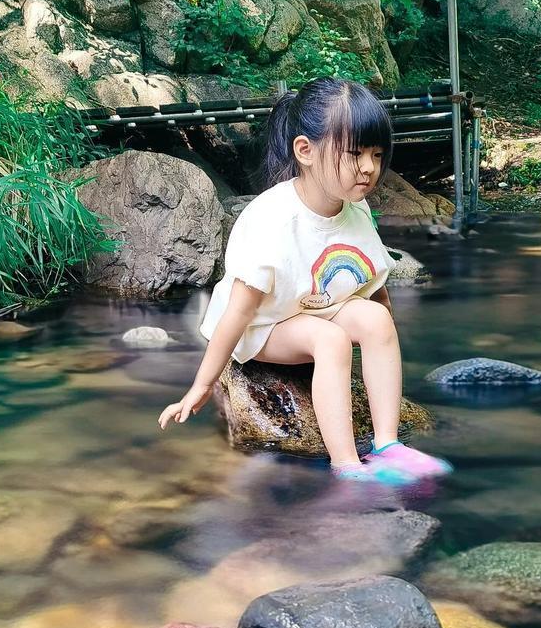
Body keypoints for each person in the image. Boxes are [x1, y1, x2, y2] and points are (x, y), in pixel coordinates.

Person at [158, 77, 452, 485]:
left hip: (316, 306)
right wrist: (202, 384)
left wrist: (378, 338)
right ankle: (346, 465)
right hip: (264, 327)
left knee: (376, 319)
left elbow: (373, 283)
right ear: (305, 150)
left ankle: (388, 446)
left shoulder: (356, 209)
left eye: (377, 154)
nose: (368, 167)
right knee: (328, 341)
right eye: (354, 154)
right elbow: (238, 311)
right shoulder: (273, 219)